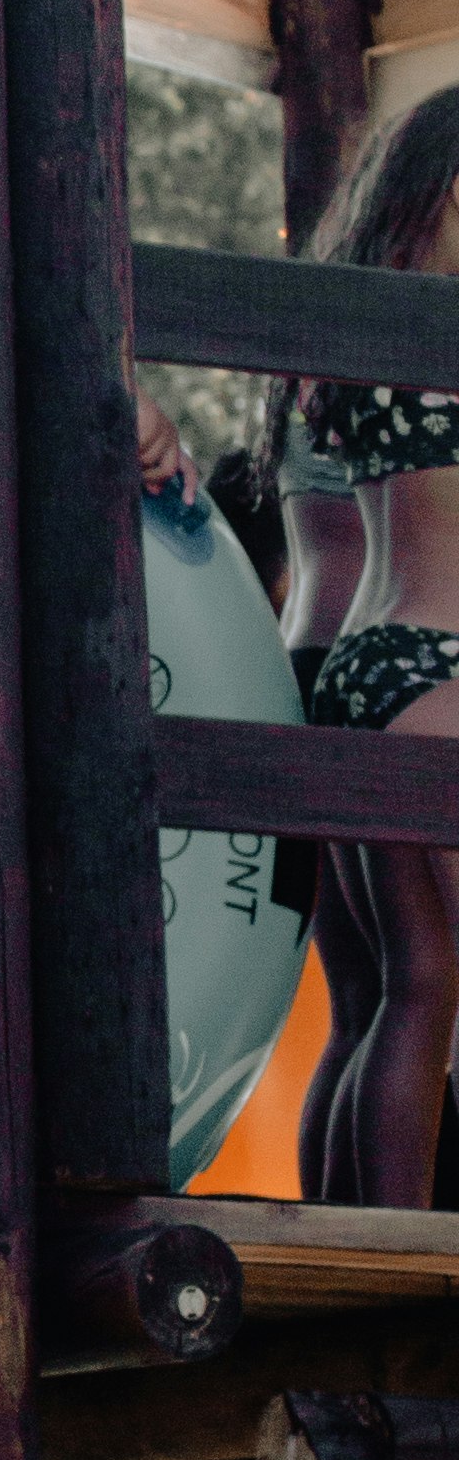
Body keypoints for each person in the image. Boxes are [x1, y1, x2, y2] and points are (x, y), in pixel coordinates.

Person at [280, 90, 459, 1205]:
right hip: (439, 664)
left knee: (411, 988)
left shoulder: (366, 335)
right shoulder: (439, 330)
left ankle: (367, 1259)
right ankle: (410, 1266)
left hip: (361, 664)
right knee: (424, 989)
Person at [235, 390, 378, 1195]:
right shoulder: (384, 324)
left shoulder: (296, 369)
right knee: (421, 987)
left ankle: (339, 1216)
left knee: (361, 998)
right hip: (378, 662)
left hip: (306, 665)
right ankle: (398, 1237)